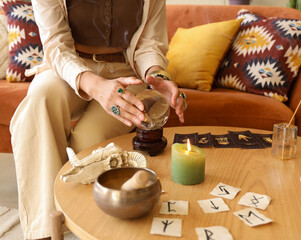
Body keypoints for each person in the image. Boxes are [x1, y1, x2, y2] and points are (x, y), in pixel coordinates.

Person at [9, 0, 186, 239]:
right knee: (40, 99)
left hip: (125, 74)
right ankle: (46, 230)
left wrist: (155, 74)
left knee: (90, 141)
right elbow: (55, 44)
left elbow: (148, 43)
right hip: (68, 67)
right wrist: (94, 85)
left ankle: (86, 225)